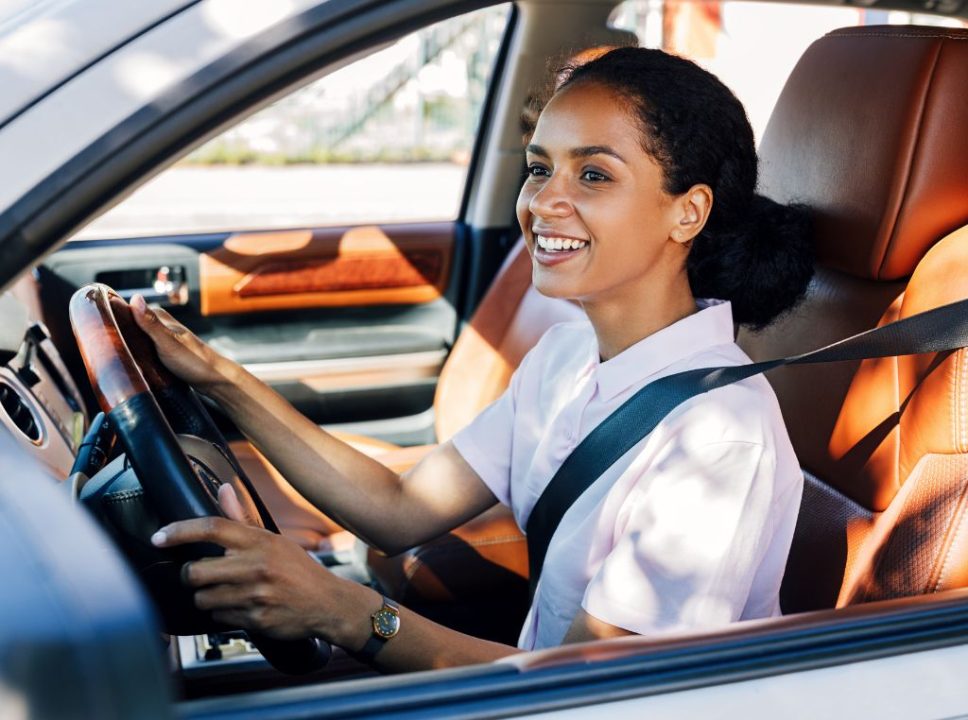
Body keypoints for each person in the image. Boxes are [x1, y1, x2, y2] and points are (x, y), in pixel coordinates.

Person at [136, 46, 813, 672]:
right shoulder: (567, 354)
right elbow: (398, 507)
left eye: (594, 174)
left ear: (688, 212)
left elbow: (591, 690)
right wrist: (218, 378)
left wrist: (341, 610)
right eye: (540, 168)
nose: (544, 202)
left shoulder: (719, 434)